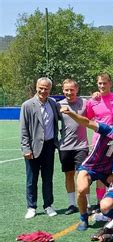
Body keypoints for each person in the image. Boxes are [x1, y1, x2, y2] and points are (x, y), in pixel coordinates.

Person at [60, 108, 113, 231]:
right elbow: (86, 122)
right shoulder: (107, 130)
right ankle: (83, 218)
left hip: (108, 171)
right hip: (91, 166)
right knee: (82, 190)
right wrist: (70, 113)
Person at [20, 77, 62, 219]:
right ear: (36, 87)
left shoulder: (53, 103)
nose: (43, 91)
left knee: (48, 178)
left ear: (50, 89)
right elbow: (24, 129)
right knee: (32, 179)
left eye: (46, 88)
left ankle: (48, 205)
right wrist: (26, 149)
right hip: (33, 147)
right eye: (41, 88)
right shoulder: (27, 105)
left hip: (49, 146)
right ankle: (31, 207)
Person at [86, 73, 113, 206]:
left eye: (105, 83)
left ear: (110, 84)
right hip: (99, 143)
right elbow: (90, 119)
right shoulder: (92, 101)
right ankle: (99, 202)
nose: (102, 86)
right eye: (100, 83)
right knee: (99, 173)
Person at [58, 79, 88, 215]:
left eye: (72, 89)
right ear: (63, 90)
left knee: (83, 175)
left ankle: (86, 204)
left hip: (82, 146)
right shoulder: (58, 105)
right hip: (65, 147)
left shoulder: (85, 103)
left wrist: (96, 95)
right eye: (66, 90)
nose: (69, 92)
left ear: (77, 89)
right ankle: (71, 204)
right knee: (69, 175)